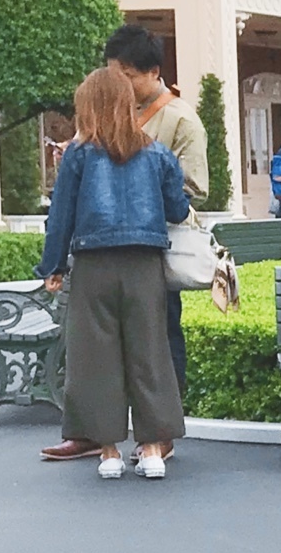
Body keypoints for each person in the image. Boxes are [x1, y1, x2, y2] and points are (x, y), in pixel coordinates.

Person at [37, 66, 191, 480]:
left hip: (93, 264)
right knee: (150, 353)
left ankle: (108, 452)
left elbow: (61, 216)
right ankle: (154, 447)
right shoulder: (157, 152)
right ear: (127, 103)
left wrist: (52, 266)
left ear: (88, 107)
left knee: (95, 358)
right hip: (144, 264)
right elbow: (177, 209)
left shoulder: (79, 155)